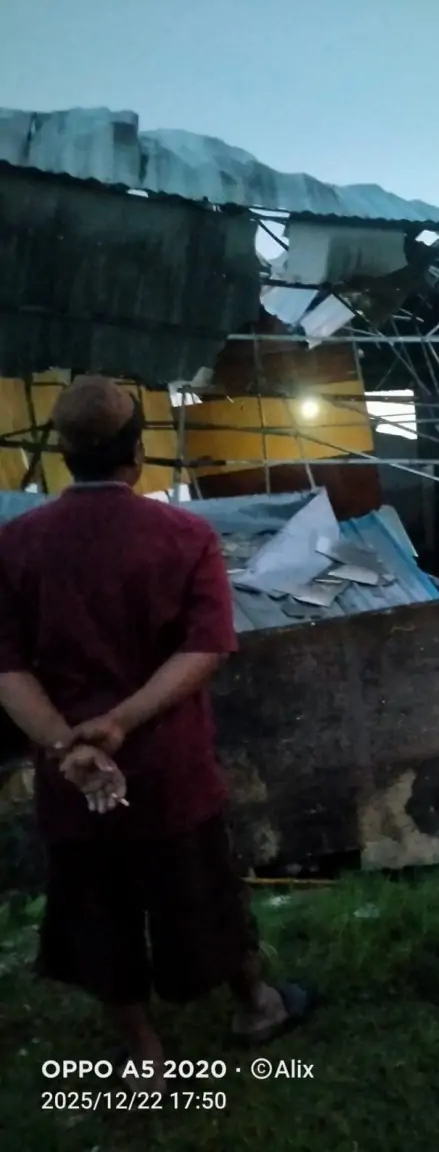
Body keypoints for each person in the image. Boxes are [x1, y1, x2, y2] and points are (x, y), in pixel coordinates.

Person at [0, 376, 312, 1092]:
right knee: (204, 893)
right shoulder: (185, 536)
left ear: (64, 454)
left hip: (71, 781)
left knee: (93, 909)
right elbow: (205, 648)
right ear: (136, 453)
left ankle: (146, 1059)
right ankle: (256, 1008)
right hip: (170, 768)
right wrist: (122, 723)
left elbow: (6, 666)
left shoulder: (16, 544)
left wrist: (69, 746)